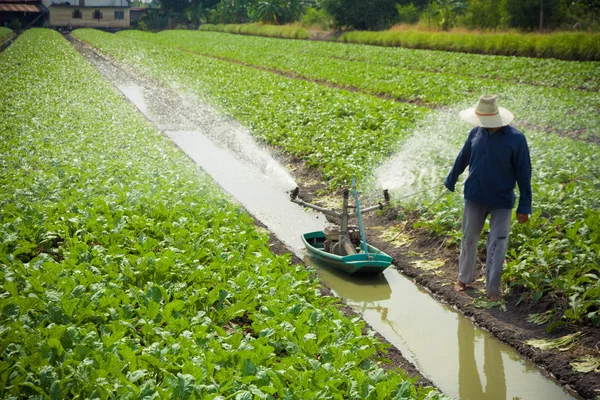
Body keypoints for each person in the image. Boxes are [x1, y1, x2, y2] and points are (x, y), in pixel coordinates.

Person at [444, 95, 532, 300]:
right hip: (474, 196)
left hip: (502, 201)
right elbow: (463, 157)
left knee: (497, 243)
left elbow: (524, 173)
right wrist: (451, 178)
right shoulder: (475, 132)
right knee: (468, 238)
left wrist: (524, 205)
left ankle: (492, 289)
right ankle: (464, 278)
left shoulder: (516, 139)